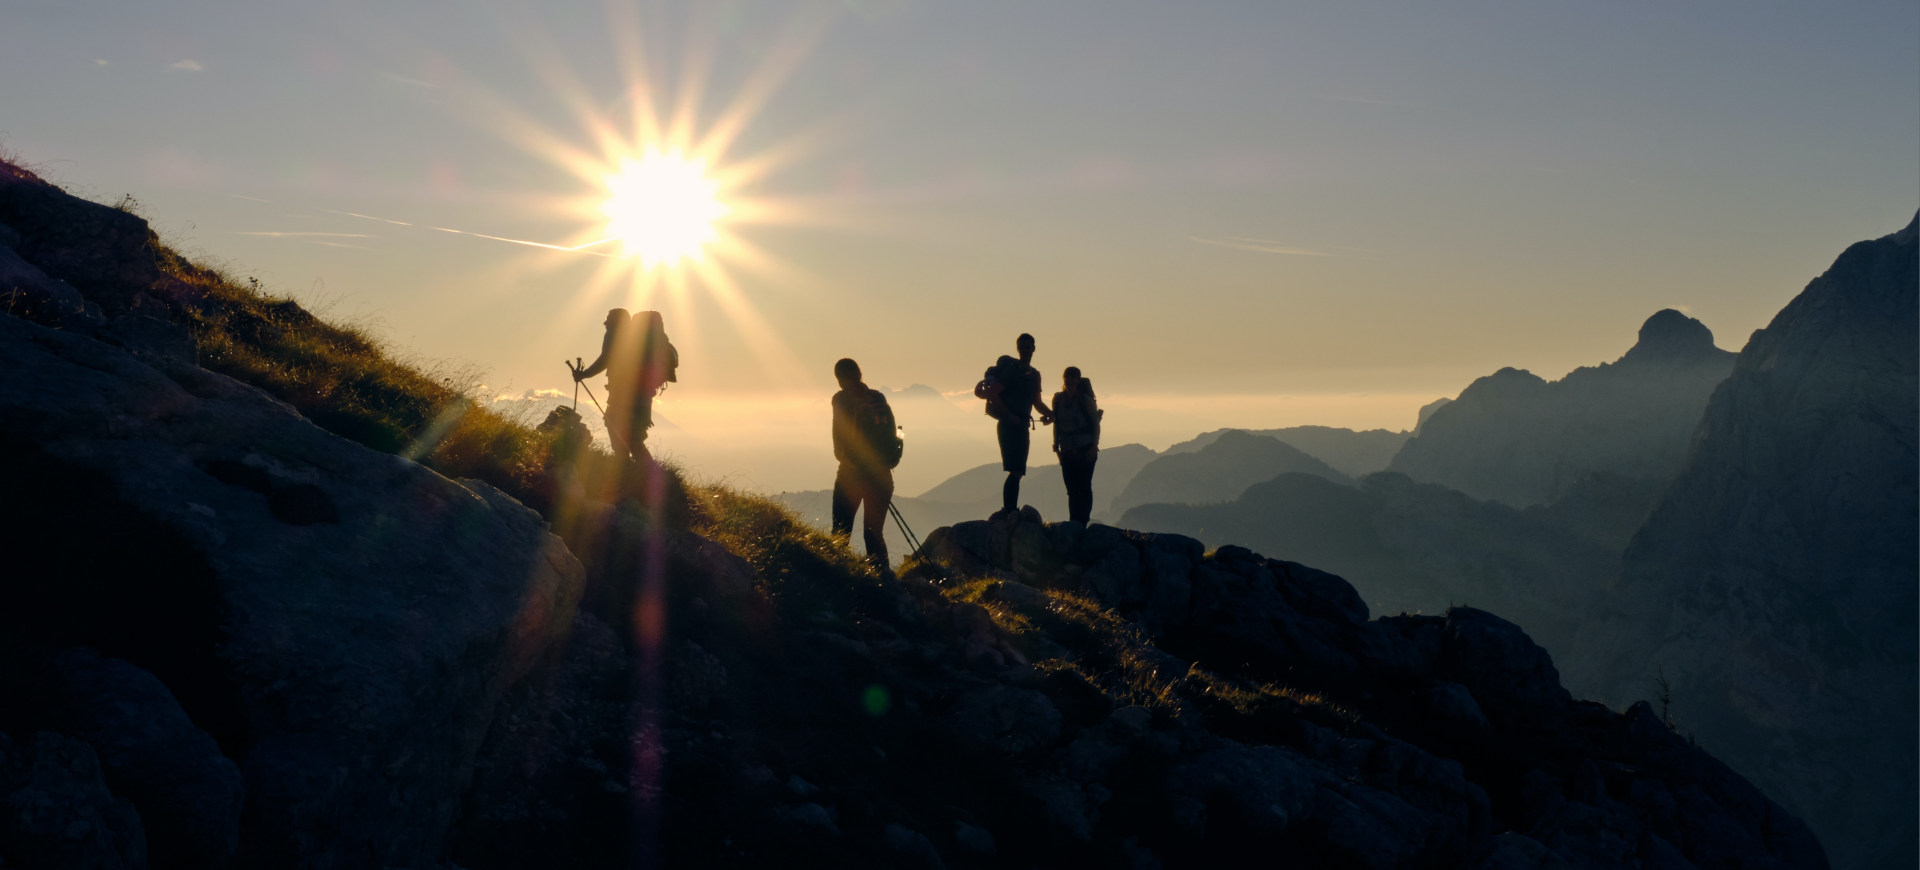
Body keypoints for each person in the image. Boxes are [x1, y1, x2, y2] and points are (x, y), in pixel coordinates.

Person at [574, 308, 677, 462]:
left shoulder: (614, 334)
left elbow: (605, 359)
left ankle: (628, 467)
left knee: (617, 430)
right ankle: (636, 471)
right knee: (634, 438)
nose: (605, 322)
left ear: (617, 320)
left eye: (608, 318)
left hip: (623, 397)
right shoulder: (638, 340)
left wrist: (584, 374)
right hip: (643, 397)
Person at [830, 358, 901, 568]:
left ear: (839, 379)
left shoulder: (841, 399)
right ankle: (884, 580)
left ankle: (837, 576)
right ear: (860, 375)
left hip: (851, 475)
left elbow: (838, 437)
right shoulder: (878, 398)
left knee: (841, 532)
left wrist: (845, 458)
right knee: (874, 533)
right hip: (882, 475)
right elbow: (892, 433)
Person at [980, 333, 1052, 517]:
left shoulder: (1034, 375)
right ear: (1018, 349)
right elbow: (993, 394)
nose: (1026, 351)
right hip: (1009, 425)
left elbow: (1037, 403)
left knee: (1017, 469)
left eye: (1028, 347)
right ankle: (1009, 510)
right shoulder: (1011, 371)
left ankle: (1010, 509)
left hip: (1021, 425)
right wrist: (1009, 416)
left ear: (1034, 348)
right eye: (1023, 347)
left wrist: (1052, 415)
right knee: (1016, 469)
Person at [1051, 366, 1102, 523]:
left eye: (1074, 378)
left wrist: (1094, 447)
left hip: (1085, 449)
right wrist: (1056, 447)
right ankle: (1075, 522)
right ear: (1064, 379)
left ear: (1078, 380)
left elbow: (1095, 424)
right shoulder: (1058, 400)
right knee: (1072, 489)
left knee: (1084, 487)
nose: (1071, 380)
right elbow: (1056, 424)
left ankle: (1082, 522)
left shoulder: (1084, 400)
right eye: (1068, 377)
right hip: (1067, 449)